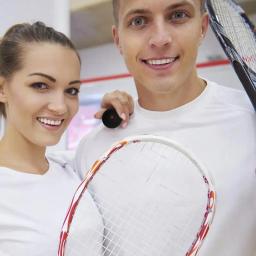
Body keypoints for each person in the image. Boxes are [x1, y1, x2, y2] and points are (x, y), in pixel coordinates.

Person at [74, 0, 256, 255]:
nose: (160, 39)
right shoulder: (91, 151)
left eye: (178, 15)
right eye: (138, 21)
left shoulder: (249, 119)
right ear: (118, 39)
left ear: (202, 27)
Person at [0, 21, 133, 256]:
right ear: (2, 88)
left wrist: (122, 116)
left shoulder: (70, 168)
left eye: (71, 90)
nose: (60, 107)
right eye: (40, 85)